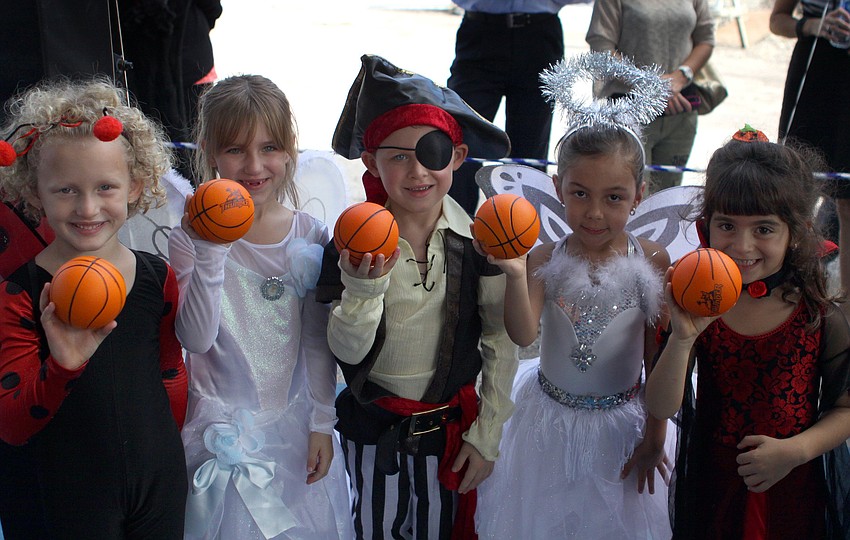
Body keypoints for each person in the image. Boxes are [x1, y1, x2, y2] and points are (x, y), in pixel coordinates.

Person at [317, 54, 518, 539]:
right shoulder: (348, 243)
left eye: (431, 153)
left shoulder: (481, 242)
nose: (416, 172)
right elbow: (345, 352)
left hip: (448, 436)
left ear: (458, 157)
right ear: (371, 163)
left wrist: (487, 436)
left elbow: (500, 341)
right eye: (398, 156)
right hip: (373, 433)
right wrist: (364, 287)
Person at [474, 53, 672, 539]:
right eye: (580, 193)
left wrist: (655, 433)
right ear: (558, 186)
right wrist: (514, 272)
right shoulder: (542, 258)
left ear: (639, 195)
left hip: (621, 427)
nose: (595, 213)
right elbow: (522, 332)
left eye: (614, 198)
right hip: (549, 425)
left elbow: (656, 353)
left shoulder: (652, 261)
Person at [0, 78, 188, 538]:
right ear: (33, 191)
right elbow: (11, 425)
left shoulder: (156, 277)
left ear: (134, 185)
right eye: (65, 190)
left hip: (158, 489)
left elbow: (169, 372)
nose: (88, 208)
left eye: (105, 186)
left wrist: (171, 451)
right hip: (55, 497)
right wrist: (62, 367)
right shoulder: (18, 292)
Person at [169, 74, 353, 540]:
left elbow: (316, 340)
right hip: (217, 431)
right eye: (235, 149)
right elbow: (195, 338)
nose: (254, 166)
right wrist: (212, 248)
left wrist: (321, 423)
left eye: (269, 147)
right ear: (209, 151)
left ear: (289, 149)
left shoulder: (309, 234)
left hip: (293, 428)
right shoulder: (190, 236)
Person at [645, 127, 850, 538]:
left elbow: (845, 409)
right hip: (714, 483)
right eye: (727, 226)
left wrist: (796, 451)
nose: (742, 246)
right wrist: (683, 338)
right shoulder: (697, 304)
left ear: (796, 231)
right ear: (706, 226)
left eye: (764, 229)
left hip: (793, 485)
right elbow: (662, 405)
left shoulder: (819, 312)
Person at [446, 1, 579, 215]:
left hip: (538, 35)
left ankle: (523, 237)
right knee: (459, 138)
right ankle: (454, 234)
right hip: (479, 32)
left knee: (529, 151)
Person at [586, 0, 715, 192]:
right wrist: (651, 84)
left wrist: (680, 77)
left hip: (680, 112)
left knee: (669, 198)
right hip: (630, 111)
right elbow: (601, 45)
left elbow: (706, 39)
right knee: (631, 197)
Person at [771, 1, 850, 244]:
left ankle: (844, 284)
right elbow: (777, 21)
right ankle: (787, 279)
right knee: (794, 189)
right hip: (815, 72)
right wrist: (812, 24)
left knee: (847, 201)